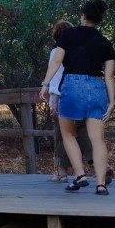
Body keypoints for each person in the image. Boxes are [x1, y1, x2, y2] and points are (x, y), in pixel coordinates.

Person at [39, 0, 115, 196]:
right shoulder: (105, 42)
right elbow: (109, 76)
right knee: (97, 138)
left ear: (83, 16)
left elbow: (57, 60)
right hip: (97, 86)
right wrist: (112, 101)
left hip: (72, 86)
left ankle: (80, 175)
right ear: (99, 20)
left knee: (68, 134)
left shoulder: (68, 35)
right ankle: (100, 184)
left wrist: (46, 84)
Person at [48, 20, 94, 183]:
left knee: (62, 136)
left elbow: (55, 78)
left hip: (63, 98)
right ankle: (97, 162)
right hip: (81, 96)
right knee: (82, 132)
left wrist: (53, 101)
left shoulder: (57, 53)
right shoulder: (79, 51)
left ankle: (62, 172)